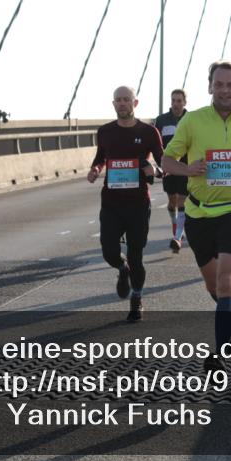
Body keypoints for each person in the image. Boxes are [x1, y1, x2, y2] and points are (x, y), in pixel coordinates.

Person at [162, 61, 231, 371]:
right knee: (215, 288)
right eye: (218, 84)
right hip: (198, 212)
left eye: (230, 84)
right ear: (210, 87)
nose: (224, 89)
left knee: (225, 281)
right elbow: (168, 160)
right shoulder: (193, 121)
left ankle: (219, 355)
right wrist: (188, 169)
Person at [88, 86, 163, 322]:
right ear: (113, 104)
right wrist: (95, 169)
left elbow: (164, 165)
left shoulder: (150, 132)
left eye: (126, 100)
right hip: (111, 203)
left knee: (136, 255)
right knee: (110, 252)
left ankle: (137, 299)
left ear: (135, 103)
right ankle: (122, 269)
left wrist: (156, 170)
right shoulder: (105, 132)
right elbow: (101, 157)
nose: (122, 104)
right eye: (118, 100)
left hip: (138, 204)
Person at [154, 89, 188, 252]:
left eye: (179, 100)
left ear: (184, 102)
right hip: (168, 166)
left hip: (186, 166)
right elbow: (156, 145)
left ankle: (178, 236)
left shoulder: (190, 119)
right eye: (174, 100)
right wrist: (160, 164)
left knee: (182, 199)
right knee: (172, 200)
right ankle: (176, 223)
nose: (176, 103)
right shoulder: (161, 120)